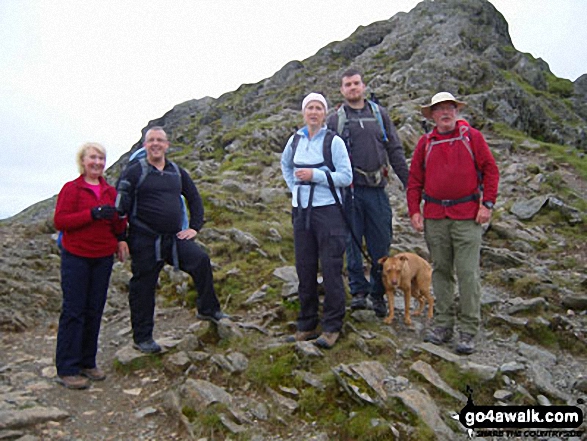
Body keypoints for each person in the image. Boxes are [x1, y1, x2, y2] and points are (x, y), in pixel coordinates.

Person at [116, 126, 229, 354]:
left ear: (167, 145)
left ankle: (208, 309)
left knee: (200, 260)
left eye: (160, 140)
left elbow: (194, 198)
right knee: (143, 287)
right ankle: (143, 337)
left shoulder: (177, 171)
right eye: (151, 140)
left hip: (175, 238)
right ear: (145, 145)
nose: (156, 144)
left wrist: (195, 227)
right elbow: (120, 208)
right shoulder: (134, 171)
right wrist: (121, 239)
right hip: (143, 240)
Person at [407, 92, 499, 355]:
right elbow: (414, 181)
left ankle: (468, 329)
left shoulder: (472, 137)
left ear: (456, 112)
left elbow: (491, 170)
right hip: (435, 217)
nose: (445, 113)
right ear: (432, 115)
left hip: (468, 216)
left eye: (449, 108)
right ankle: (443, 324)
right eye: (439, 109)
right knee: (441, 271)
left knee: (468, 273)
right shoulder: (426, 143)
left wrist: (487, 204)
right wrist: (414, 210)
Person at [326, 68, 409, 318]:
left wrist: (409, 182)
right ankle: (359, 293)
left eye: (356, 83)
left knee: (380, 242)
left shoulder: (379, 114)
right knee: (352, 242)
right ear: (342, 90)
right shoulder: (335, 120)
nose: (353, 88)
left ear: (363, 86)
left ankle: (378, 293)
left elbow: (394, 148)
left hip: (377, 190)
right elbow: (327, 156)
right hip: (348, 191)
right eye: (347, 85)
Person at [53, 142, 128, 389]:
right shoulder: (72, 189)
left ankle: (88, 361)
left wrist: (121, 237)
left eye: (101, 158)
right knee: (74, 310)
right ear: (83, 162)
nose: (97, 162)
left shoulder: (110, 191)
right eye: (92, 158)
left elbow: (118, 223)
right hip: (76, 255)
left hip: (103, 256)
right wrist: (92, 214)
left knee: (95, 309)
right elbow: (60, 221)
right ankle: (67, 368)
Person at [281, 93, 352, 349]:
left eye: (318, 108)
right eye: (309, 108)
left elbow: (346, 176)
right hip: (301, 211)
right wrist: (295, 188)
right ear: (303, 112)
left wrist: (315, 175)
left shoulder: (334, 142)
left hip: (329, 210)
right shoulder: (295, 139)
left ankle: (332, 326)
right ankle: (306, 324)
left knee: (331, 268)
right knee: (305, 267)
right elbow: (285, 165)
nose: (313, 112)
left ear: (325, 113)